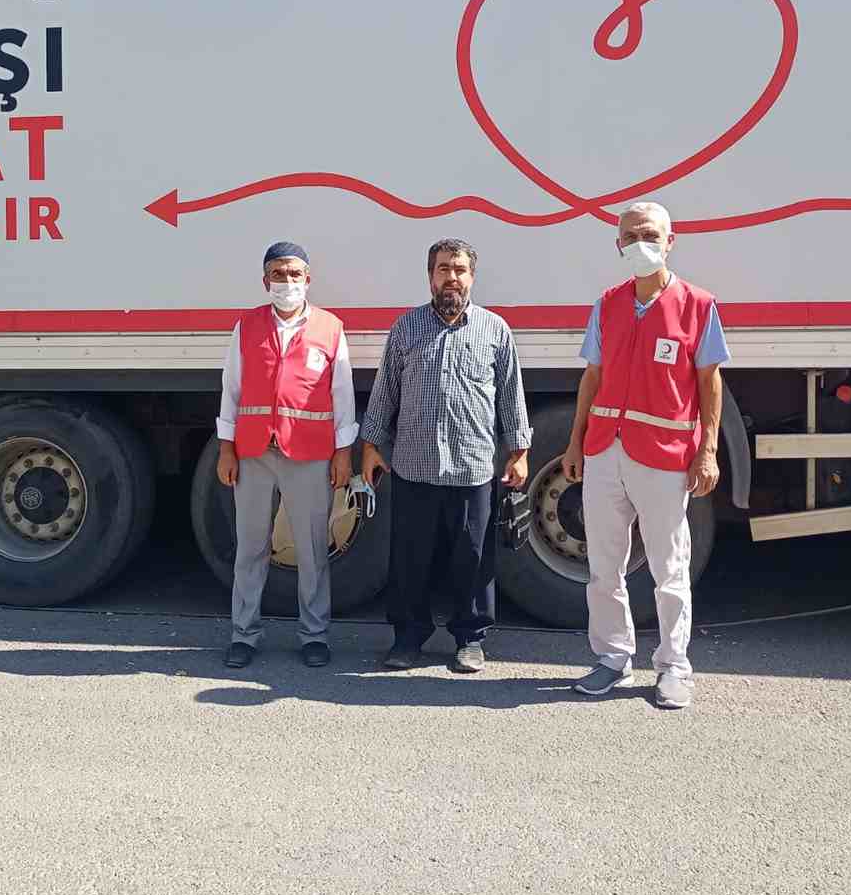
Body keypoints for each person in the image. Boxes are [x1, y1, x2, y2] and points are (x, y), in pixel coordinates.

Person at [560, 202, 729, 709]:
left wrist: (708, 451)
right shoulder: (608, 304)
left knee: (669, 567)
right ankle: (612, 658)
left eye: (650, 234)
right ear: (618, 245)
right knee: (603, 565)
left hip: (664, 456)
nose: (640, 244)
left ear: (670, 241)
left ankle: (674, 666)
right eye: (630, 236)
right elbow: (592, 377)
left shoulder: (698, 305)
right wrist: (575, 442)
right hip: (604, 451)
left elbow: (710, 382)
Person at [360, 239, 532, 673]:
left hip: (472, 469)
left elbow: (511, 396)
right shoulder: (406, 328)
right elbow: (385, 393)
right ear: (430, 277)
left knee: (473, 558)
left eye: (459, 269)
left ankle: (470, 639)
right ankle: (407, 638)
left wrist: (519, 453)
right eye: (442, 269)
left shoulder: (494, 330)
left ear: (471, 276)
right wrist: (371, 447)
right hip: (413, 468)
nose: (451, 277)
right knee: (409, 560)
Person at [216, 242, 357, 669]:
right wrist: (226, 448)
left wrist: (343, 453)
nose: (287, 281)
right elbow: (231, 390)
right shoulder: (247, 326)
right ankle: (244, 634)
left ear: (308, 279)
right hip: (254, 453)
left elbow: (342, 395)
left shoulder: (330, 328)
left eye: (295, 274)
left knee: (312, 551)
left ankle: (314, 635)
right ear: (265, 281)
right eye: (279, 274)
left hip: (309, 454)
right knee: (250, 549)